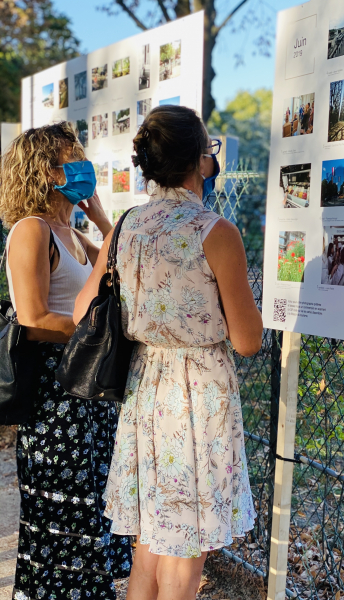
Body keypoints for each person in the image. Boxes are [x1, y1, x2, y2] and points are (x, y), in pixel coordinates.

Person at [73, 105, 262, 600]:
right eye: (210, 150)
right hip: (200, 395)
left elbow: (80, 312)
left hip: (146, 388)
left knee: (150, 543)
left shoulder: (126, 227)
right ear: (200, 161)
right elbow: (247, 341)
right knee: (185, 550)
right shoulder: (216, 232)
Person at [0, 122, 132, 599]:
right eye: (69, 158)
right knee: (61, 519)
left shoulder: (70, 231)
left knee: (93, 514)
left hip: (88, 393)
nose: (80, 165)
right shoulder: (31, 230)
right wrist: (95, 332)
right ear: (43, 170)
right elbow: (33, 317)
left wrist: (96, 214)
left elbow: (117, 259)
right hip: (57, 400)